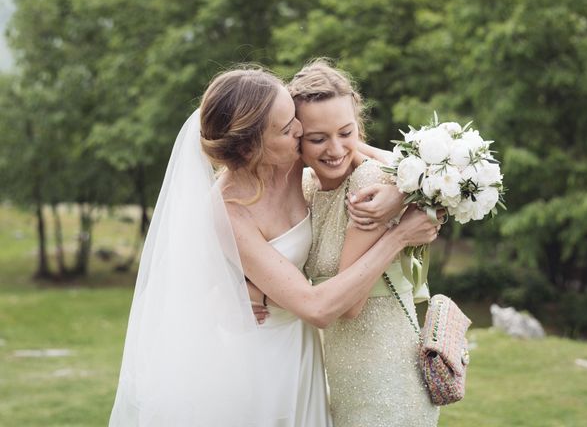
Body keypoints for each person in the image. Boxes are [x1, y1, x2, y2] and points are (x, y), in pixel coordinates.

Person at [109, 66, 440, 426]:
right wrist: (399, 236)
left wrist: (397, 192)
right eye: (287, 127)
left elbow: (360, 150)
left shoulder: (291, 155)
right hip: (256, 358)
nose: (299, 130)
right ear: (253, 146)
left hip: (301, 346)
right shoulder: (229, 212)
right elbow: (317, 307)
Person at [288, 60, 441, 426]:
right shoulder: (308, 186)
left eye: (346, 132)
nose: (335, 149)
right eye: (317, 138)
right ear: (295, 138)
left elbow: (351, 305)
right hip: (338, 367)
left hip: (383, 374)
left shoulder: (369, 181)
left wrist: (401, 200)